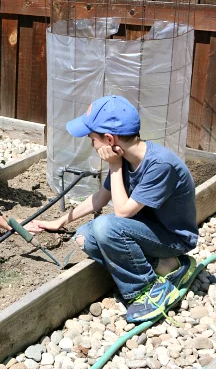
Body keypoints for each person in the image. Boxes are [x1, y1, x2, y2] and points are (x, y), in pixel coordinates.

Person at [29, 95, 198, 323]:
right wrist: (59, 222)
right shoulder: (125, 158)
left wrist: (114, 166)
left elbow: (122, 213)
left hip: (174, 238)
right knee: (84, 238)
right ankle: (167, 266)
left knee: (106, 226)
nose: (92, 144)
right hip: (147, 230)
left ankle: (148, 290)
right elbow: (100, 198)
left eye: (92, 139)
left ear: (109, 139)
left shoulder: (159, 165)